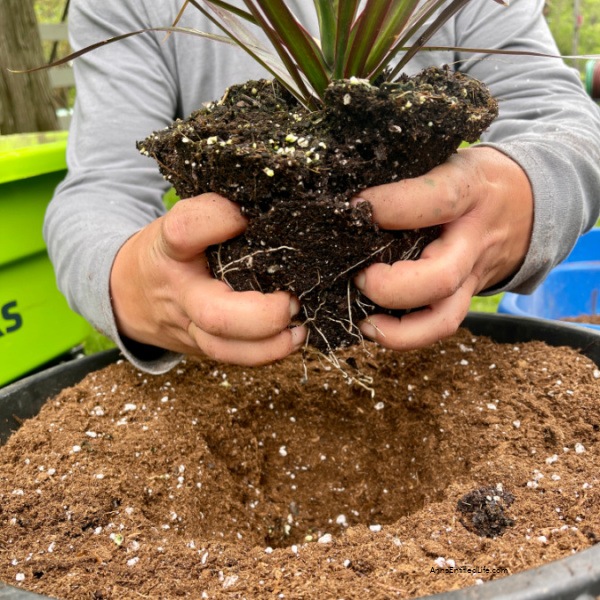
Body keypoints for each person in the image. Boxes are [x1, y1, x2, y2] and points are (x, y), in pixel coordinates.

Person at [44, 0, 600, 374]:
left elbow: (564, 123)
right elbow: (99, 187)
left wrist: (516, 195)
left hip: (441, 349)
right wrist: (133, 280)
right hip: (232, 363)